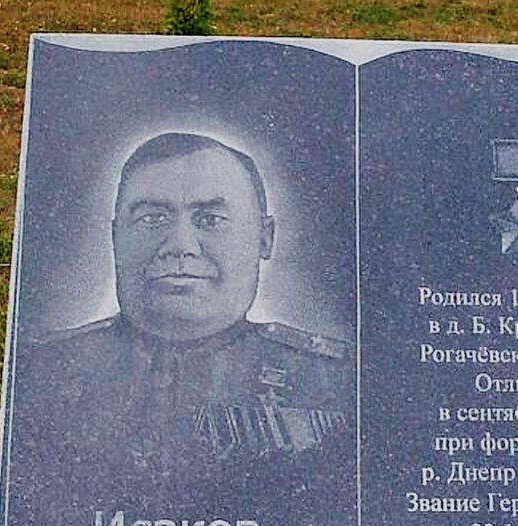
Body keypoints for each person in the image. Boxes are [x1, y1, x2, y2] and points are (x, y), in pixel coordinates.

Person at [25, 132, 351, 476]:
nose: (180, 246)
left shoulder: (331, 380)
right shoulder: (41, 371)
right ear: (115, 236)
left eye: (210, 219)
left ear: (264, 238)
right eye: (152, 218)